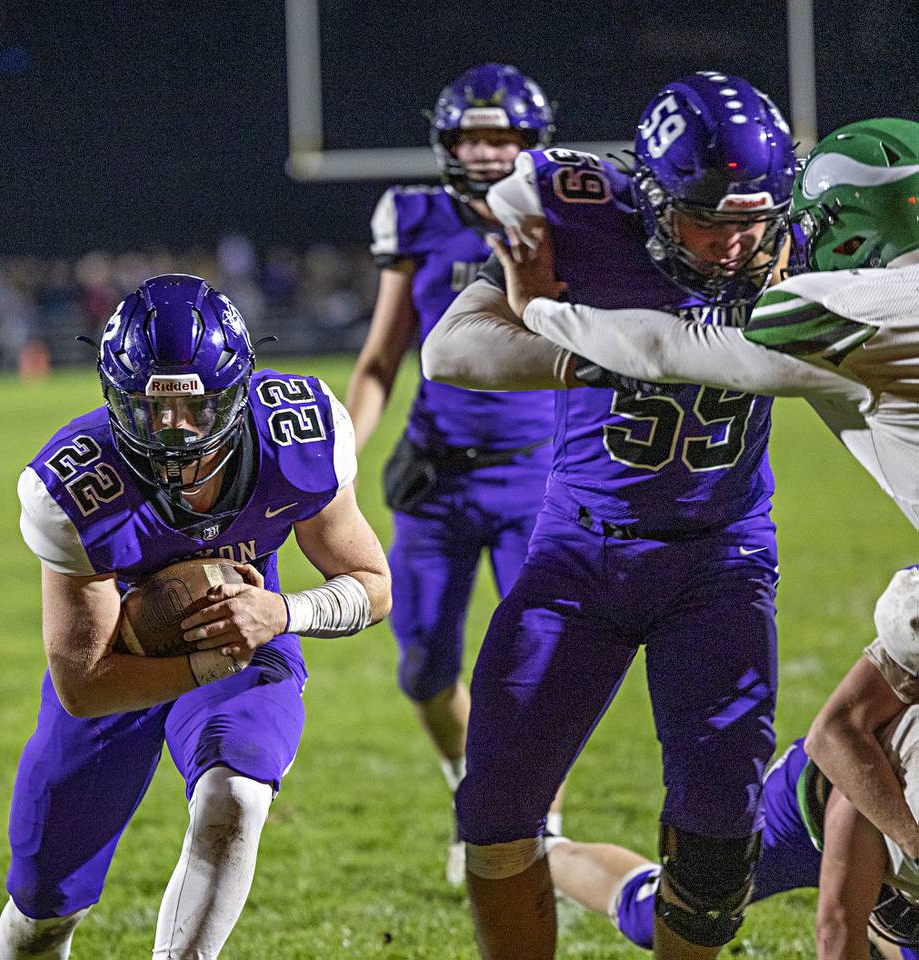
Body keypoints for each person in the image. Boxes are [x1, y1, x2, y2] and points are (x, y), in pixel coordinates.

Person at [488, 116, 919, 959]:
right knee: (673, 906)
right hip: (838, 789)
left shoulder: (858, 303)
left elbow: (671, 346)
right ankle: (549, 853)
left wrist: (543, 308)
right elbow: (845, 766)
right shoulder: (866, 306)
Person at [420, 72, 796, 959]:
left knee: (714, 844)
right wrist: (593, 351)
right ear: (655, 199)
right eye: (709, 217)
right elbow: (450, 347)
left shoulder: (804, 243)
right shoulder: (587, 215)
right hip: (580, 551)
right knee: (497, 809)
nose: (734, 243)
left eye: (753, 218)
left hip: (721, 557)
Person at [0, 274, 391, 959]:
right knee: (42, 915)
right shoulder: (73, 485)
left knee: (236, 798)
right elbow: (84, 684)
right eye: (152, 411)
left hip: (245, 628)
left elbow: (372, 584)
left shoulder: (299, 432)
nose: (176, 433)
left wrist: (282, 612)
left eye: (198, 409)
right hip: (122, 661)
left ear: (235, 395)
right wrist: (205, 657)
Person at [344, 64, 557, 882]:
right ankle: (468, 780)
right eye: (471, 135)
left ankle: (536, 823)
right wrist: (342, 458)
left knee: (540, 666)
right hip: (439, 481)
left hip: (540, 474)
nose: (486, 150)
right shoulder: (417, 218)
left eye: (501, 135)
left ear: (530, 143)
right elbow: (378, 360)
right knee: (424, 663)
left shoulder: (565, 216)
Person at [547, 731, 919, 960]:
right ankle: (542, 849)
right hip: (825, 805)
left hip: (893, 845)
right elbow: (838, 734)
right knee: (670, 916)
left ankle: (880, 932)